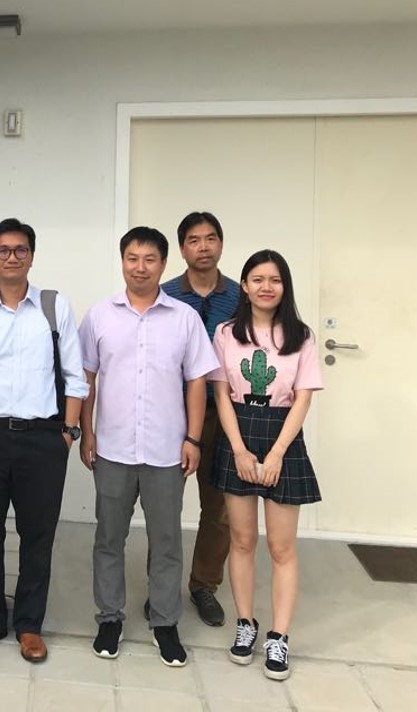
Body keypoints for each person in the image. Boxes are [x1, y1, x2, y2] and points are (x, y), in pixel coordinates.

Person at [78, 227, 218, 666]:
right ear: (122, 261)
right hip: (113, 450)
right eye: (132, 258)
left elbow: (197, 381)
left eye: (150, 259)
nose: (140, 267)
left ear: (163, 263)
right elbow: (86, 379)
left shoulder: (184, 318)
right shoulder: (99, 316)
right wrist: (87, 432)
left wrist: (193, 437)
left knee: (167, 541)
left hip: (165, 451)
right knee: (108, 539)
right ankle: (110, 618)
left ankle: (164, 623)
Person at [0, 218, 88, 663]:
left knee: (37, 536)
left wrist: (68, 433)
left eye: (21, 250)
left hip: (43, 440)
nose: (12, 257)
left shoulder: (53, 307)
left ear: (32, 256)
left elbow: (75, 377)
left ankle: (30, 624)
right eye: (3, 250)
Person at [210, 249, 323, 681]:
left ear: (284, 286)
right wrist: (239, 449)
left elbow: (304, 397)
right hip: (238, 430)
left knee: (281, 547)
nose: (265, 286)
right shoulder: (225, 332)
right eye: (256, 279)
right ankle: (245, 624)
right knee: (240, 540)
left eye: (274, 280)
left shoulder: (301, 335)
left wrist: (275, 453)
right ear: (244, 285)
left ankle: (278, 634)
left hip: (283, 436)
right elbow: (221, 394)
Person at [161, 211, 240, 627]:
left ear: (221, 244)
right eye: (194, 240)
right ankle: (163, 587)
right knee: (164, 504)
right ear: (182, 249)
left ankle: (203, 585)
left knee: (221, 507)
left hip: (225, 415)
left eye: (211, 238)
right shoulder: (167, 294)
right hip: (173, 414)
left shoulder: (240, 297)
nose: (203, 247)